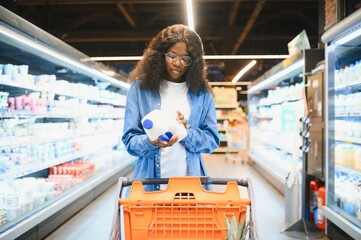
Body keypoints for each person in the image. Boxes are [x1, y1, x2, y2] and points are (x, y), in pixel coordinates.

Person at [121, 24, 220, 192]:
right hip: (149, 185)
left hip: (191, 186)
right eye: (172, 56)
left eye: (186, 58)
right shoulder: (140, 90)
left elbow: (212, 140)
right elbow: (130, 140)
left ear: (194, 62)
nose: (178, 63)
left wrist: (186, 133)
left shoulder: (202, 94)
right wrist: (151, 142)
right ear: (160, 55)